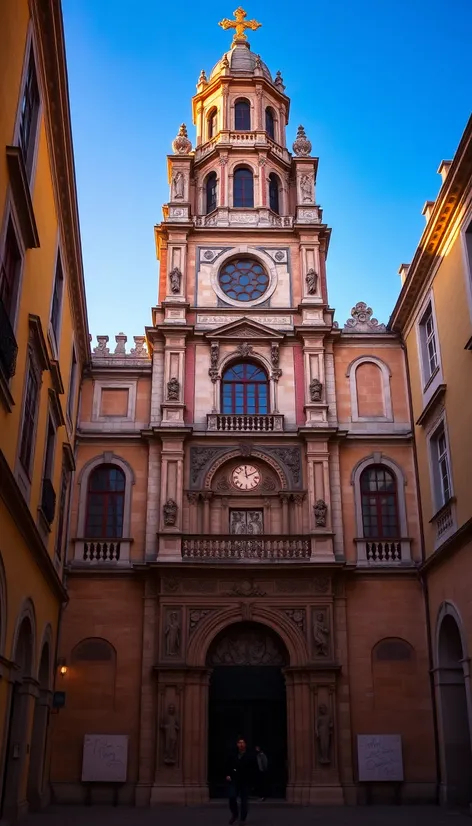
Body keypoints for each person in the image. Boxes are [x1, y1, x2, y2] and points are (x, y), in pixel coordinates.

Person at [225, 737, 253, 824]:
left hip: (245, 780)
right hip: (234, 779)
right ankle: (235, 814)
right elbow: (227, 765)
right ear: (237, 744)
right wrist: (227, 774)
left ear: (245, 744)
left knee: (244, 801)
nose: (241, 744)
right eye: (239, 743)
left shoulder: (249, 755)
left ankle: (242, 819)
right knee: (232, 797)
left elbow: (253, 768)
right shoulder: (233, 754)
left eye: (242, 743)